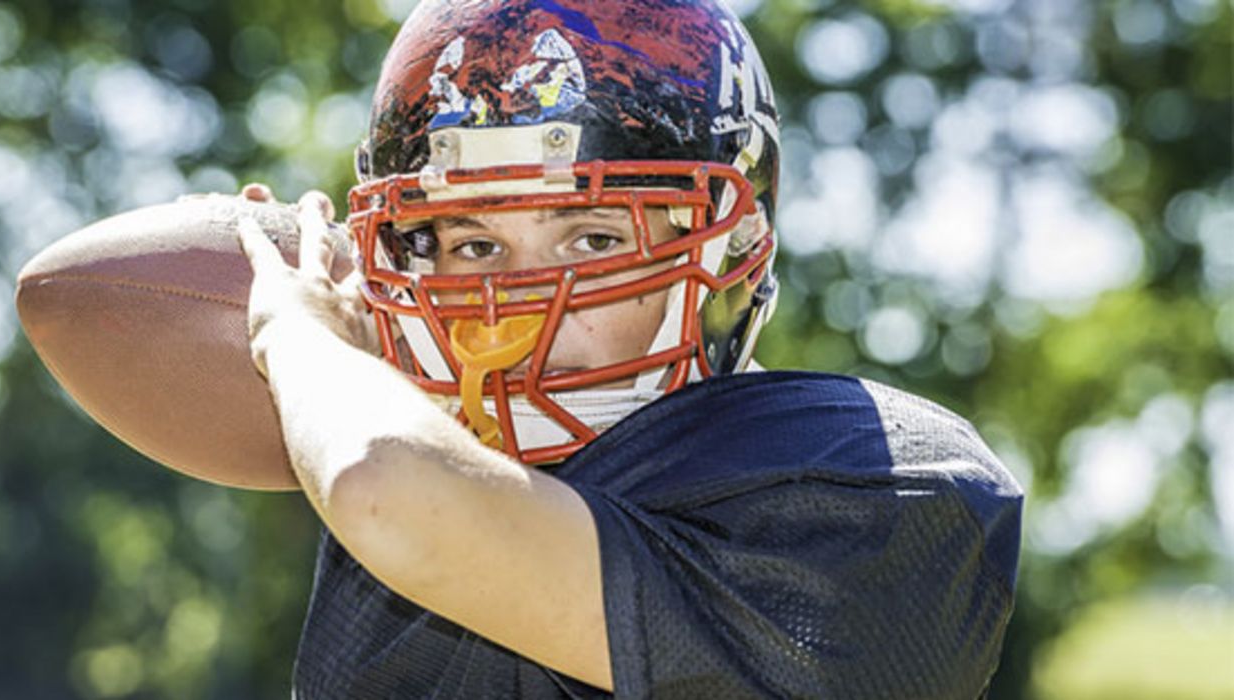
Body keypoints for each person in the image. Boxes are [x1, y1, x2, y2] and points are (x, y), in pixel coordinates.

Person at [236, 1, 1023, 697]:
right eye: (473, 245)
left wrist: (295, 337)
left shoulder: (874, 492)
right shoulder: (394, 444)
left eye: (591, 238)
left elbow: (387, 491)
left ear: (728, 250)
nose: (522, 303)